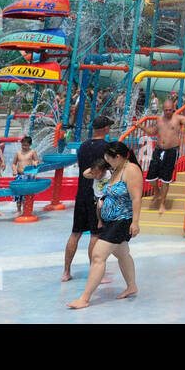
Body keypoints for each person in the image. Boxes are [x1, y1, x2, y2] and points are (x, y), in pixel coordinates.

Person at [67, 141, 141, 308]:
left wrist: (135, 223)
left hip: (122, 220)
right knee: (122, 253)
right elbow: (88, 173)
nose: (107, 161)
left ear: (119, 157)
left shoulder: (131, 171)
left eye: (109, 158)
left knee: (98, 256)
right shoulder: (116, 169)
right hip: (111, 220)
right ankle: (132, 286)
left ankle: (84, 298)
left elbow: (136, 198)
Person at [63, 115, 113, 282]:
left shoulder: (83, 146)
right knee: (95, 235)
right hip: (96, 196)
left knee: (75, 233)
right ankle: (95, 272)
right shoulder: (107, 147)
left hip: (81, 193)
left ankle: (66, 272)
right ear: (105, 129)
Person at [143, 98, 185, 212]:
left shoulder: (179, 118)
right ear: (163, 109)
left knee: (166, 179)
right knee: (151, 177)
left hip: (171, 151)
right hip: (158, 150)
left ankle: (163, 204)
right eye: (166, 110)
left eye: (170, 110)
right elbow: (152, 132)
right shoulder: (159, 120)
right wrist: (140, 126)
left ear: (173, 109)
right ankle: (157, 193)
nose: (168, 112)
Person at [11, 135, 41, 214]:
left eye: (26, 145)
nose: (24, 147)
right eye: (23, 145)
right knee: (18, 194)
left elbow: (37, 160)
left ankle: (26, 209)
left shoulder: (32, 152)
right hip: (19, 175)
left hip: (28, 176)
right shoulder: (18, 153)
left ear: (30, 145)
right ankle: (18, 210)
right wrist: (14, 170)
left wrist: (35, 163)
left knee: (27, 194)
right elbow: (14, 164)